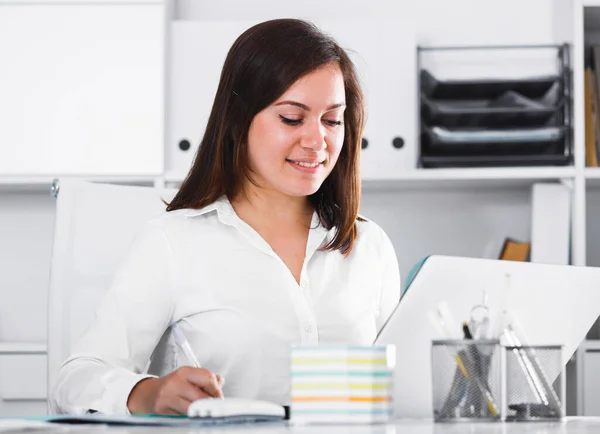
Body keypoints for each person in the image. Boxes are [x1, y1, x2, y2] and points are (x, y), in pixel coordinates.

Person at [50, 17, 401, 416]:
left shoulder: (368, 246)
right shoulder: (174, 242)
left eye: (332, 120)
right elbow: (75, 380)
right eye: (291, 117)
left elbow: (404, 393)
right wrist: (148, 394)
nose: (317, 140)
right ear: (237, 121)